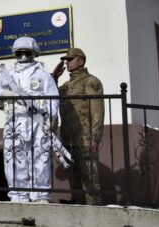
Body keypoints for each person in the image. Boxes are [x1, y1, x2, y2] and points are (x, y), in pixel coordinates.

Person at [0, 37, 59, 203]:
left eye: (27, 52)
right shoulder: (7, 75)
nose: (23, 56)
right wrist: (7, 93)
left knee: (40, 157)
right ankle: (19, 195)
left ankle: (40, 195)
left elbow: (53, 99)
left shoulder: (43, 75)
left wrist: (51, 118)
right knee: (15, 158)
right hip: (15, 121)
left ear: (34, 53)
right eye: (20, 53)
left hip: (38, 121)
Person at [52, 47, 104, 205]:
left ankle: (94, 208)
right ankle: (77, 204)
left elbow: (97, 112)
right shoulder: (66, 86)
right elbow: (51, 96)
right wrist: (54, 77)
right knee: (73, 176)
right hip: (68, 138)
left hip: (85, 138)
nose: (66, 62)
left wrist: (95, 137)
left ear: (81, 61)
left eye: (70, 59)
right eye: (65, 60)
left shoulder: (91, 81)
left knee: (89, 176)